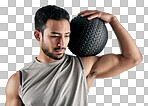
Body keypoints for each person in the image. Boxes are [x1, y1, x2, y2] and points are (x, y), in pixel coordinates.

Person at [5, 5, 143, 106]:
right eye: (54, 36)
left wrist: (113, 20)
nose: (62, 43)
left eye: (66, 35)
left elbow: (133, 58)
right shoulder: (19, 80)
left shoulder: (82, 67)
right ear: (38, 36)